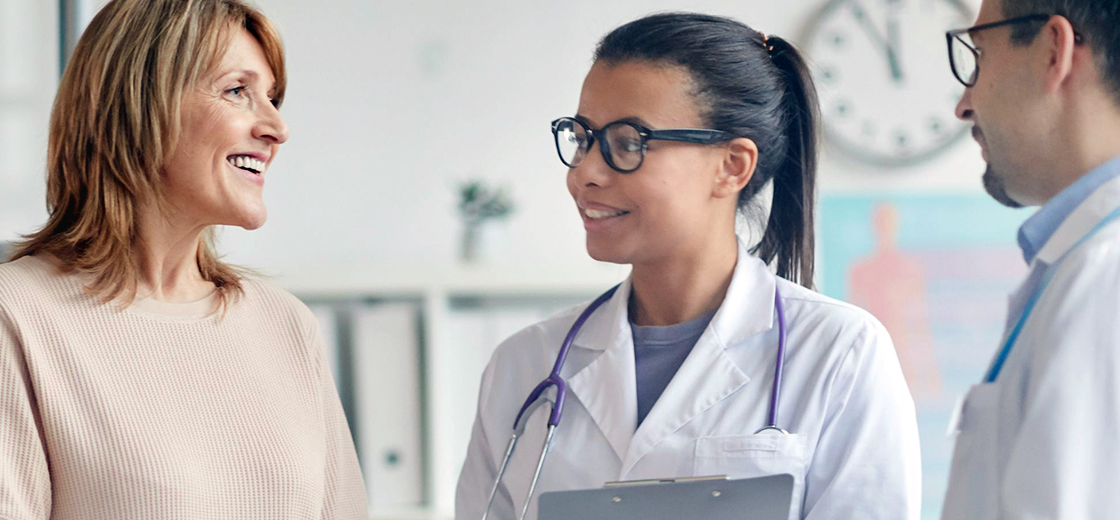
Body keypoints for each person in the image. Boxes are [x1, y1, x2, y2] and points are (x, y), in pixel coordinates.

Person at [455, 13, 920, 520]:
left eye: (628, 143)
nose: (585, 173)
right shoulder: (524, 365)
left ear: (732, 166)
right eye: (583, 136)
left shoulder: (839, 353)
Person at [0, 0, 366, 518]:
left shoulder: (286, 324)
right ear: (137, 103)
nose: (276, 127)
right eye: (237, 91)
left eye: (273, 98)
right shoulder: (8, 313)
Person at [940, 0, 1120, 517]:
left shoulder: (1103, 275)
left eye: (977, 57)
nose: (964, 104)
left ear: (1052, 51)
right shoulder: (1082, 262)